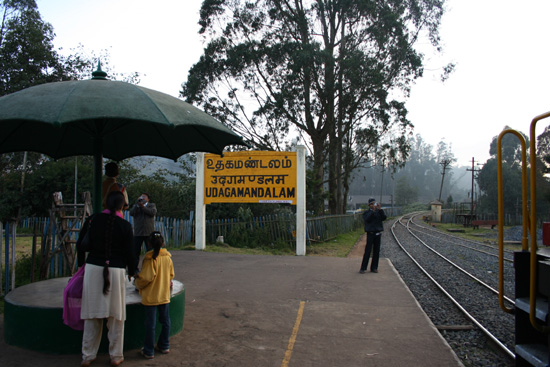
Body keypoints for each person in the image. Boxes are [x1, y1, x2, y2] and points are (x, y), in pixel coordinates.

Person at [77, 190, 136, 367]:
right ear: (122, 206)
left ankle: (88, 355)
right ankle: (116, 356)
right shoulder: (125, 226)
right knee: (116, 316)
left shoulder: (92, 220)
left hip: (93, 269)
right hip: (116, 271)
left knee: (91, 314)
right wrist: (132, 271)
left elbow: (80, 245)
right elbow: (131, 254)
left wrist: (81, 266)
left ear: (104, 203)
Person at [135, 232, 175, 359]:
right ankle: (164, 345)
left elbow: (146, 277)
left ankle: (149, 350)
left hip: (151, 296)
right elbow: (171, 274)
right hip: (164, 295)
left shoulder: (149, 259)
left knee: (150, 325)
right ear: (163, 243)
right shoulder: (168, 258)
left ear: (148, 243)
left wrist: (137, 283)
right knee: (165, 321)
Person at [129, 193, 157, 269]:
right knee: (135, 252)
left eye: (144, 196)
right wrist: (138, 205)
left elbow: (152, 213)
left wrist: (143, 207)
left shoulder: (151, 205)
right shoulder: (136, 206)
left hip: (148, 232)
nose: (142, 198)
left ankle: (150, 268)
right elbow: (131, 213)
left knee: (150, 251)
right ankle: (134, 269)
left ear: (148, 199)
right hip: (138, 233)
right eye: (141, 196)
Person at [359, 198, 387, 274]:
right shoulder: (367, 213)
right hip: (370, 233)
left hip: (378, 233)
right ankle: (363, 268)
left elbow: (384, 217)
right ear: (369, 205)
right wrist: (373, 211)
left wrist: (380, 209)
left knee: (376, 251)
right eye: (371, 204)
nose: (373, 205)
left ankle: (374, 267)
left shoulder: (379, 212)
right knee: (368, 251)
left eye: (374, 204)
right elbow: (367, 219)